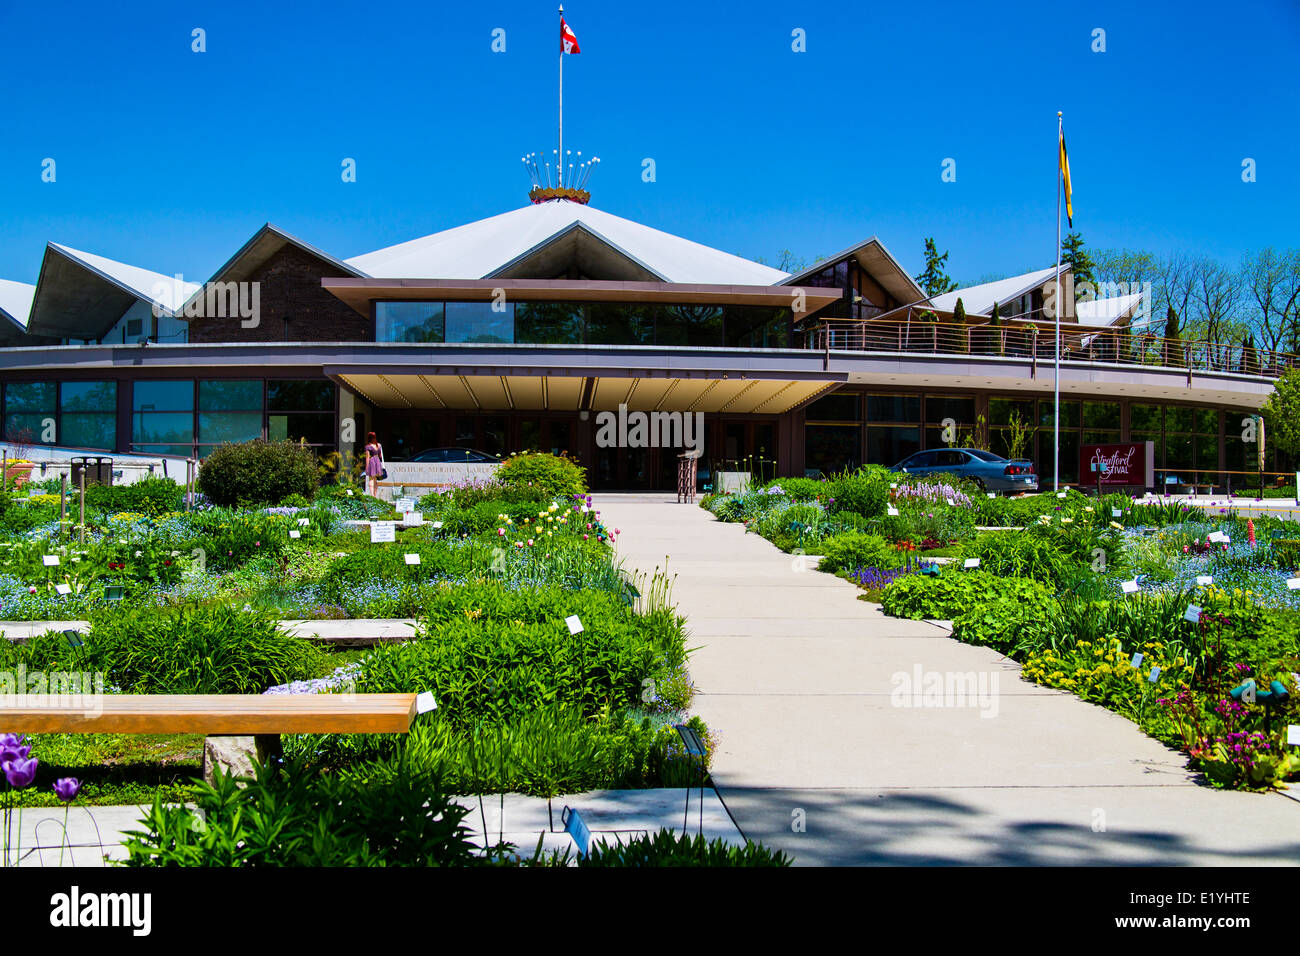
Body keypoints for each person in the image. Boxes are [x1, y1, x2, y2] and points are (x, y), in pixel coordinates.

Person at [363, 431, 385, 497]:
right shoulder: (379, 445)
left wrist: (366, 467)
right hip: (377, 461)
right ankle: (375, 495)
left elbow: (367, 457)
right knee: (375, 479)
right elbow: (380, 456)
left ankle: (372, 495)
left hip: (372, 461)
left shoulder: (368, 446)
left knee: (371, 479)